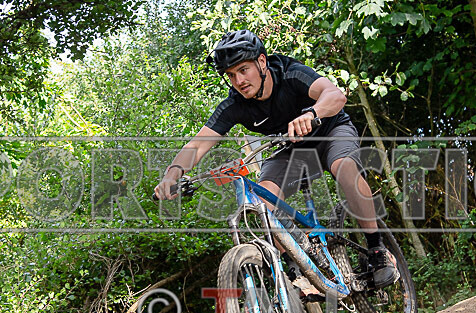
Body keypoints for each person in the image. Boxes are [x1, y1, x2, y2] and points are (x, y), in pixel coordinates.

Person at [154, 29, 398, 287]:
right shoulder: (235, 104)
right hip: (290, 147)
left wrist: (312, 113)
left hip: (330, 131)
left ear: (261, 62)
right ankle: (298, 271)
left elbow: (335, 95)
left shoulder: (290, 73)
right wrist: (172, 174)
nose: (238, 80)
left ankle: (377, 250)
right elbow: (199, 143)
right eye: (231, 75)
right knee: (261, 205)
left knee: (346, 169)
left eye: (243, 70)